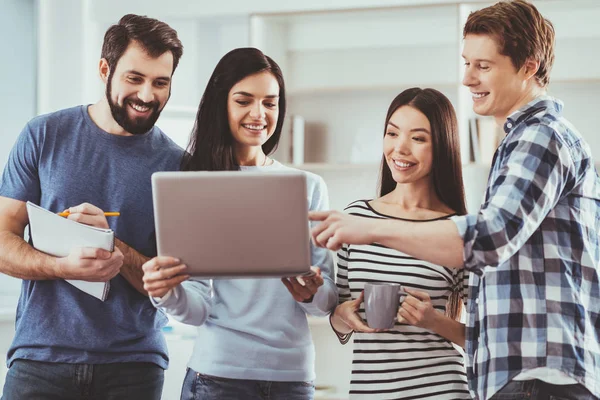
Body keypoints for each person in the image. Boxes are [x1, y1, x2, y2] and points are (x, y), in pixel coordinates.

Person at [310, 1, 600, 399]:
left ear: (529, 66)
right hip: (527, 373)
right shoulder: (520, 142)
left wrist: (370, 229)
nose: (467, 78)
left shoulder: (539, 137)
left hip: (538, 376)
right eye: (466, 63)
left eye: (483, 65)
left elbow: (490, 239)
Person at [0, 14, 184, 399]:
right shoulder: (44, 135)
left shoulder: (178, 166)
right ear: (105, 69)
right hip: (40, 361)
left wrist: (109, 243)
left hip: (134, 366)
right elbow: (2, 240)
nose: (147, 95)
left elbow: (173, 285)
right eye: (134, 78)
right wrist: (59, 267)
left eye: (160, 82)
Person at [141, 47, 338, 400]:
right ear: (222, 105)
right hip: (218, 375)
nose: (259, 114)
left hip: (292, 378)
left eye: (270, 102)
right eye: (244, 100)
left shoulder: (308, 187)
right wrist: (165, 292)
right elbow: (197, 308)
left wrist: (313, 292)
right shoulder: (195, 186)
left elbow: (324, 303)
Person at [329, 88, 471, 399]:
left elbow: (487, 339)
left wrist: (433, 321)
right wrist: (343, 318)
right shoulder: (357, 217)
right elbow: (339, 319)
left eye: (418, 138)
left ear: (442, 147)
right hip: (370, 392)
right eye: (392, 133)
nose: (399, 148)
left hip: (442, 391)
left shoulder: (457, 230)